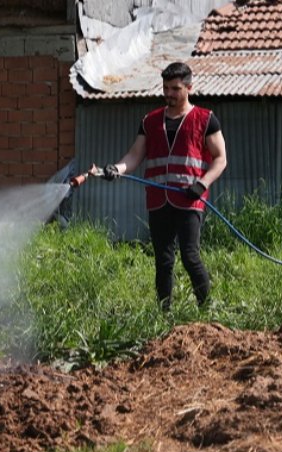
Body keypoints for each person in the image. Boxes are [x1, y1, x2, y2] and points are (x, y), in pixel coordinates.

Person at [97, 61, 227, 311]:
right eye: (166, 88)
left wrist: (202, 184)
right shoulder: (150, 121)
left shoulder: (206, 119)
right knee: (163, 261)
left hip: (190, 199)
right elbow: (134, 156)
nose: (168, 93)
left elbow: (220, 158)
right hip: (159, 199)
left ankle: (206, 311)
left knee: (190, 257)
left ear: (189, 87)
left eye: (175, 88)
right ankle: (163, 314)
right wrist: (117, 169)